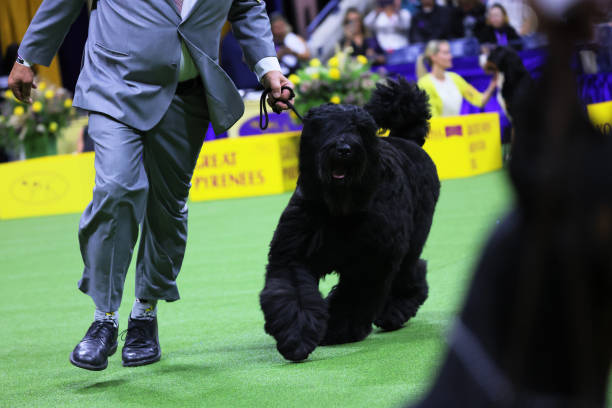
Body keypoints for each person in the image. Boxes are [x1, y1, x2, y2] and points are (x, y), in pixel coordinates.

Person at [8, 0, 293, 371]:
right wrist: (29, 58)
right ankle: (104, 320)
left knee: (167, 205)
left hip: (186, 94)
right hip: (114, 84)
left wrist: (269, 70)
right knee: (117, 188)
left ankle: (144, 314)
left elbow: (247, 8)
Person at [416, 40, 497, 117]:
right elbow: (432, 119)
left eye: (449, 52)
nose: (450, 56)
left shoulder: (455, 78)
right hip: (439, 130)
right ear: (433, 57)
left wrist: (493, 84)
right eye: (445, 53)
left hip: (455, 128)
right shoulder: (424, 83)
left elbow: (479, 100)